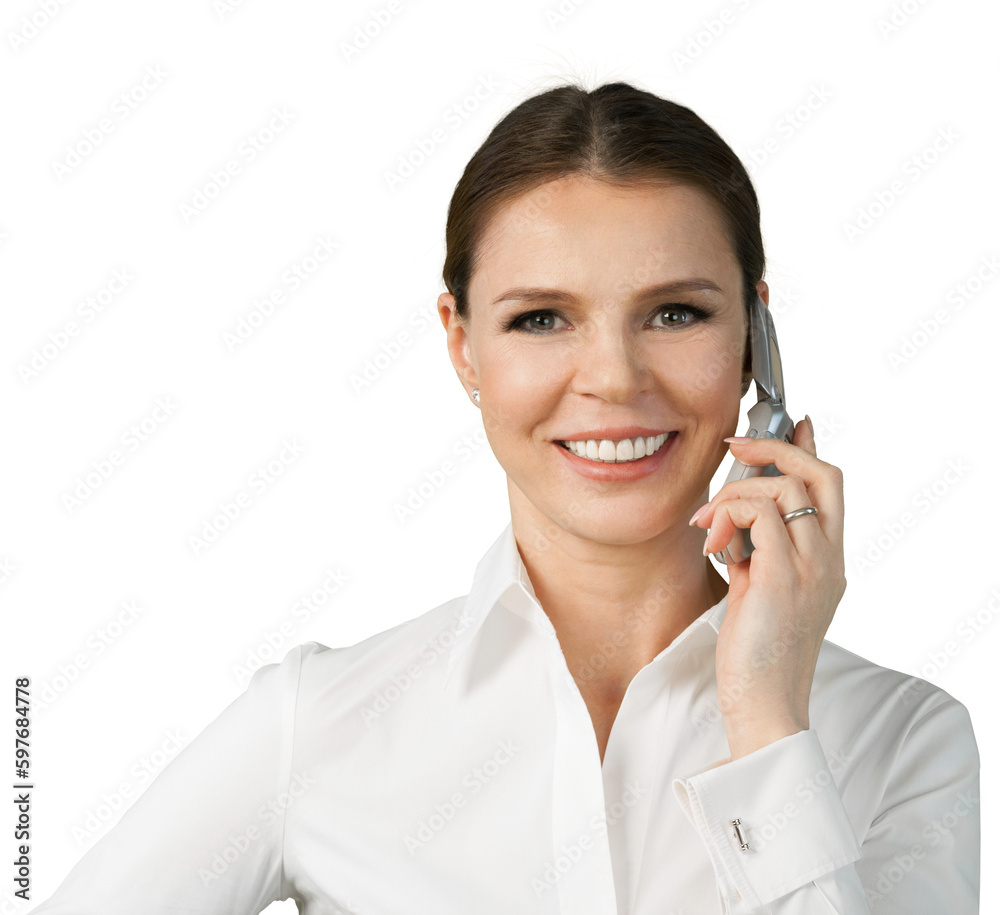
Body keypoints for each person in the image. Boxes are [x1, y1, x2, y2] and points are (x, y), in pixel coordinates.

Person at [30, 81, 978, 915]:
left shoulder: (904, 740)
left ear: (753, 339)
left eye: (676, 311)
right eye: (541, 318)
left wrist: (768, 720)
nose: (612, 377)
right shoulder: (313, 724)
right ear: (462, 346)